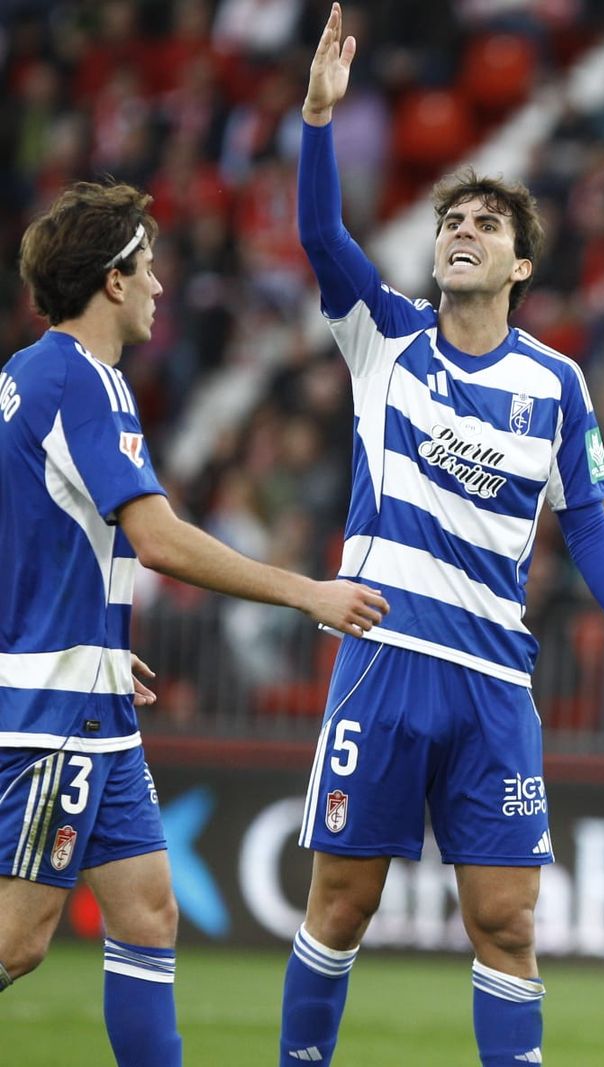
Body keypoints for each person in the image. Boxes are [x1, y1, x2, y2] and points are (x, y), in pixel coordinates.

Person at [280, 7, 604, 1065]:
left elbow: (589, 526)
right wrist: (317, 123)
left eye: (484, 223)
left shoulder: (557, 382)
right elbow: (319, 238)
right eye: (450, 222)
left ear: (521, 263)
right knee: (340, 905)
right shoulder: (382, 335)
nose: (460, 232)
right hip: (386, 660)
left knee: (508, 920)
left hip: (491, 679)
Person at [0, 181, 388, 1066]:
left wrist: (100, 645)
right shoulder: (81, 381)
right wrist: (306, 591)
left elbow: (34, 539)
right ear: (110, 281)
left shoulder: (26, 376)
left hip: (90, 701)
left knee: (147, 912)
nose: (159, 287)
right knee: (17, 942)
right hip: (52, 715)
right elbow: (159, 539)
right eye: (147, 269)